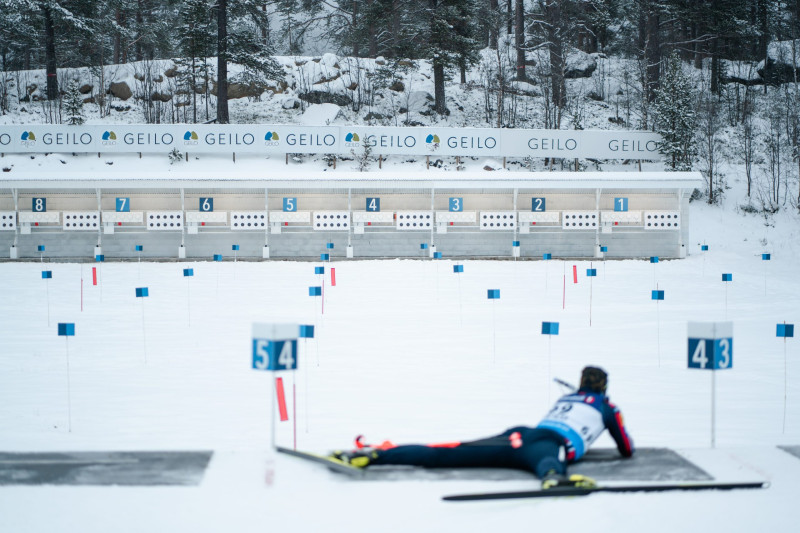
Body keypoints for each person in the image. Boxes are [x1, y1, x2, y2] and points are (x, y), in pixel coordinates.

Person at [331, 366, 634, 489]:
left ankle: (374, 456)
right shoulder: (608, 407)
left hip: (519, 435)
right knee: (548, 460)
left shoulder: (569, 397)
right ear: (604, 387)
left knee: (449, 452)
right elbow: (626, 449)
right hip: (548, 442)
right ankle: (554, 478)